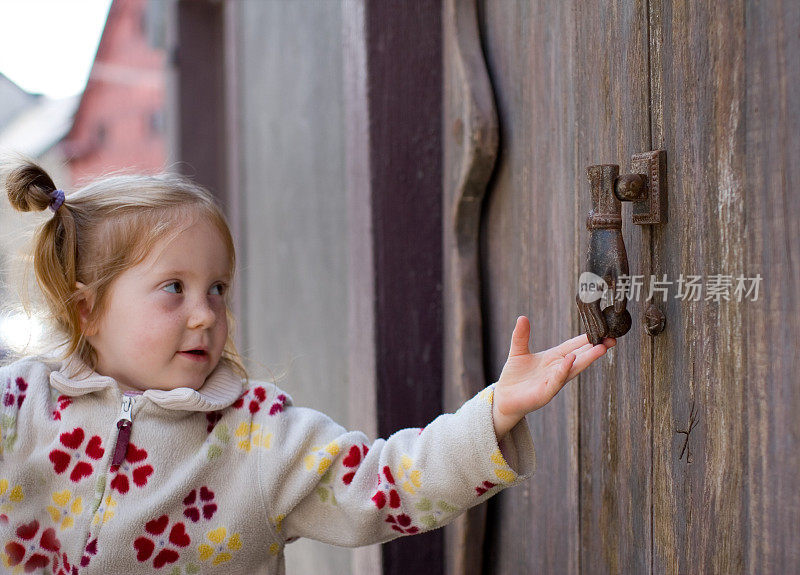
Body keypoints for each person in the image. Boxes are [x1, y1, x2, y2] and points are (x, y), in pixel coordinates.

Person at [0, 161, 615, 574]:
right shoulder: (20, 407)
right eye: (173, 288)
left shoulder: (259, 438)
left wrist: (496, 412)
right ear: (88, 310)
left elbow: (389, 482)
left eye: (217, 288)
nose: (204, 314)